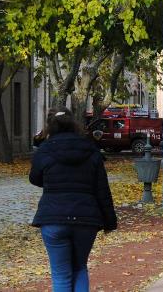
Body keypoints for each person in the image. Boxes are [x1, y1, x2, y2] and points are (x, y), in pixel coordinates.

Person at [30, 107, 117, 291]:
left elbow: (35, 178)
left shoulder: (44, 150)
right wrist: (110, 222)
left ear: (49, 127)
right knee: (80, 268)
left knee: (61, 274)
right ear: (74, 124)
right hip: (86, 218)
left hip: (53, 217)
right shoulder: (91, 150)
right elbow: (102, 189)